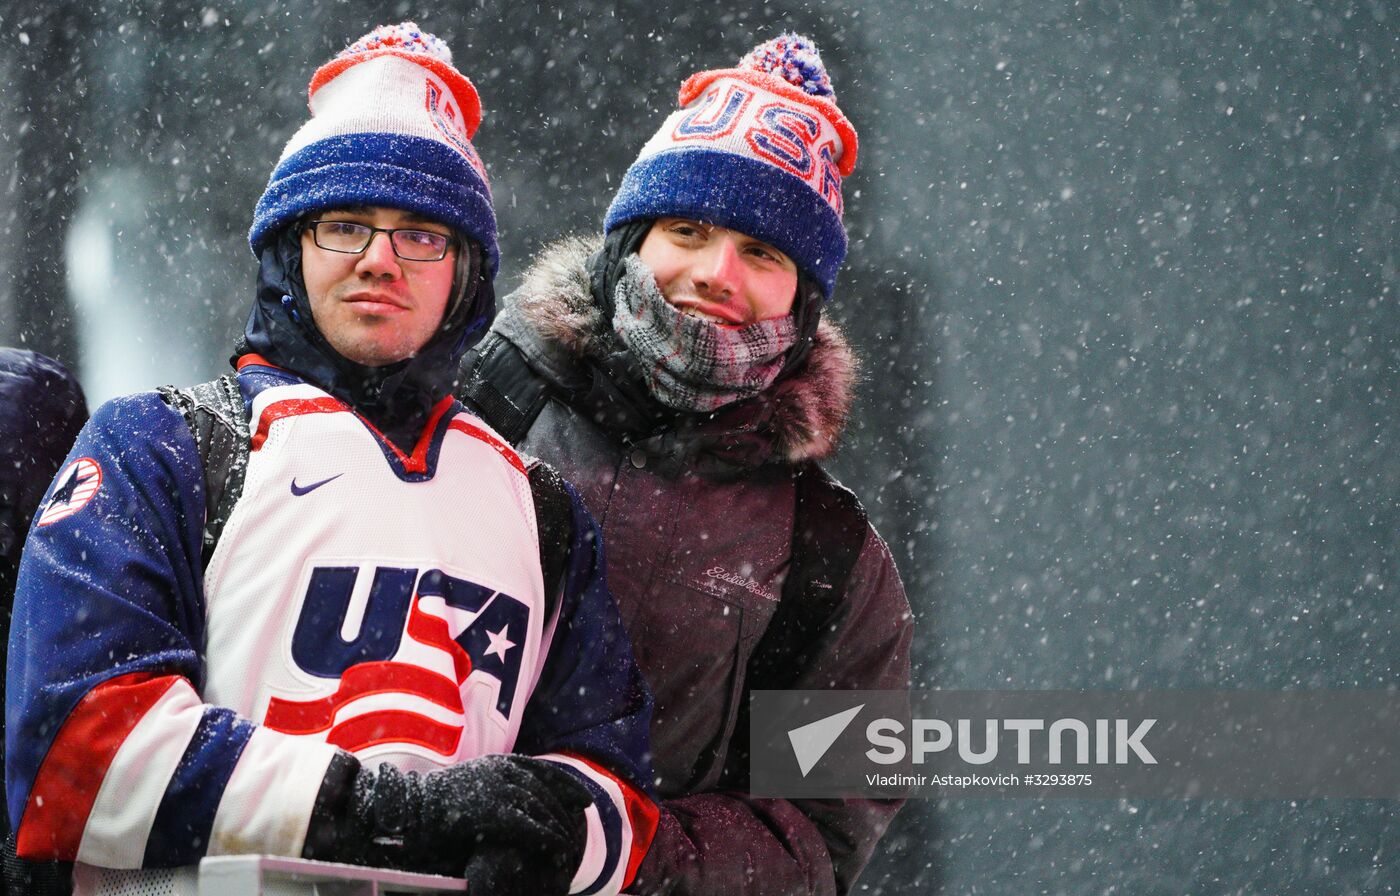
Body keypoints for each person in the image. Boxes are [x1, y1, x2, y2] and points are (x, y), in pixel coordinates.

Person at [7, 23, 655, 896]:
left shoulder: (541, 509)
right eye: (345, 225)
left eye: (422, 234)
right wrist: (383, 812)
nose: (380, 260)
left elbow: (621, 791)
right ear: (290, 249)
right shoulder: (159, 444)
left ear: (466, 270)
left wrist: (556, 835)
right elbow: (76, 746)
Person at [457, 33, 913, 896]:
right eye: (687, 229)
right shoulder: (474, 401)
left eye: (764, 253)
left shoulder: (832, 559)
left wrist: (613, 847)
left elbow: (817, 829)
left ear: (805, 303)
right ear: (629, 242)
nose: (715, 273)